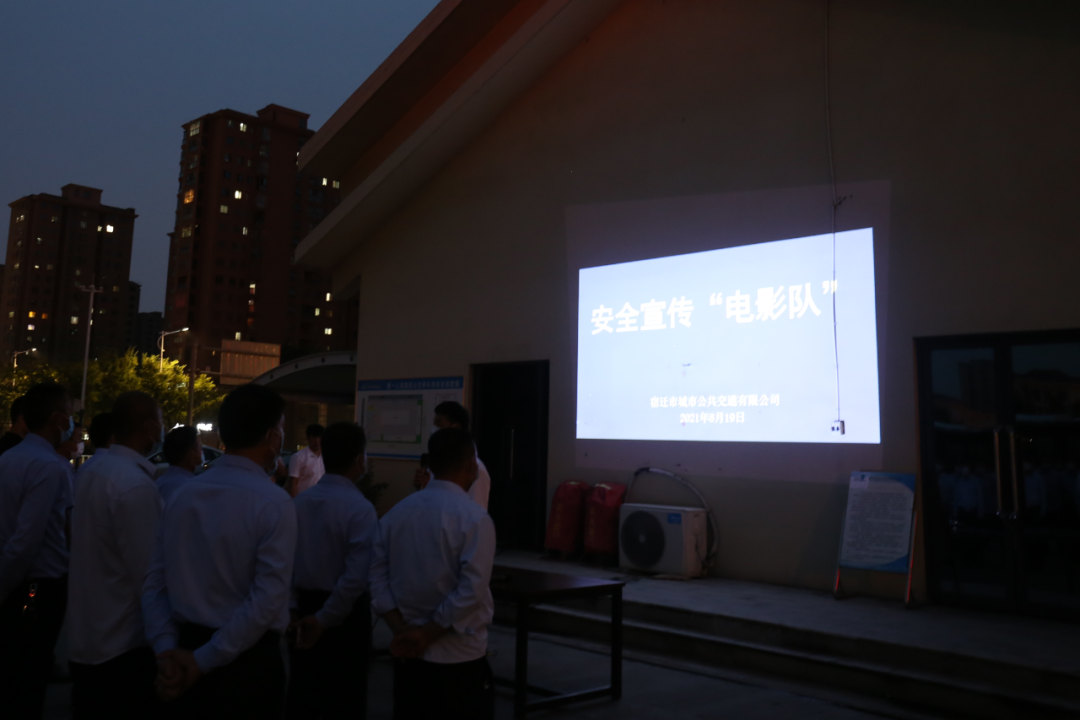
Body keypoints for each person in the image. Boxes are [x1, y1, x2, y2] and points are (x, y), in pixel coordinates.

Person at [142, 384, 296, 717]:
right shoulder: (275, 504)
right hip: (247, 665)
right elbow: (267, 601)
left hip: (183, 648)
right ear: (272, 437)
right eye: (282, 429)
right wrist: (203, 660)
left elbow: (155, 582)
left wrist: (166, 652)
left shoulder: (182, 495)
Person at [372, 427, 496, 720]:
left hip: (407, 651)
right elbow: (471, 591)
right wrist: (427, 634)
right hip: (459, 657)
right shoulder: (475, 519)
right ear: (471, 464)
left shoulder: (396, 513)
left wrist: (400, 627)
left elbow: (376, 577)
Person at [68, 392, 165, 719]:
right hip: (122, 647)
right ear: (149, 427)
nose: (163, 430)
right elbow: (149, 576)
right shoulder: (135, 485)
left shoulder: (91, 471)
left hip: (85, 640)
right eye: (161, 422)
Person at [286, 422, 378, 720]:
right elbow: (355, 578)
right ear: (359, 459)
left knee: (305, 694)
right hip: (345, 619)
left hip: (303, 609)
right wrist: (325, 619)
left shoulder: (299, 503)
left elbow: (285, 563)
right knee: (343, 699)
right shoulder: (360, 509)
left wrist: (293, 609)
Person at [0, 382, 75, 719]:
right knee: (30, 680)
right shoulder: (50, 467)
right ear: (57, 419)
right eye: (69, 415)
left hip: (19, 583)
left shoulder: (9, 458)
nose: (72, 423)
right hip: (37, 589)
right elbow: (26, 541)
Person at [412, 402, 491, 510]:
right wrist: (424, 486)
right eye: (434, 423)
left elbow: (477, 511)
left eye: (439, 423)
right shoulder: (439, 463)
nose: (433, 429)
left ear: (456, 427)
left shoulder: (476, 469)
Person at [156, 426, 203, 504]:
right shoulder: (194, 488)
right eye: (200, 448)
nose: (201, 452)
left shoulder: (157, 484)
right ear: (191, 455)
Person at [288, 423, 325, 497]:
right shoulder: (298, 457)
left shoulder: (327, 456)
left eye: (319, 437)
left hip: (322, 498)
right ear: (307, 438)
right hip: (304, 499)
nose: (317, 440)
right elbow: (293, 483)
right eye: (314, 437)